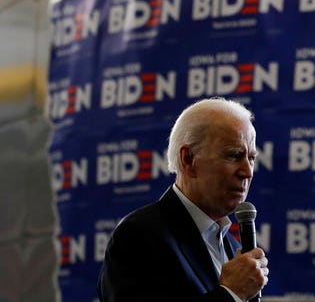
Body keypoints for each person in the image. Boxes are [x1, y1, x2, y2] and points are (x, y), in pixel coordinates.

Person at [98, 97, 268, 302]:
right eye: (233, 155)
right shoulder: (139, 236)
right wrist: (231, 293)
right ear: (188, 159)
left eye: (251, 158)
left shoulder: (231, 246)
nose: (248, 172)